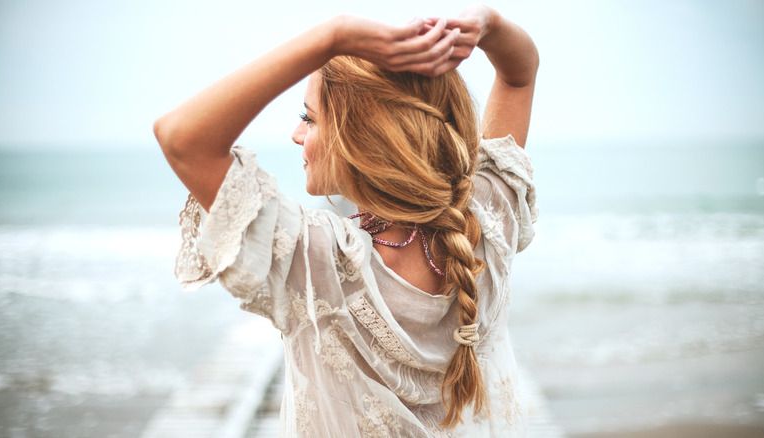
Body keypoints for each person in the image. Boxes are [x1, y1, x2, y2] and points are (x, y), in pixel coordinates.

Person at [154, 3, 538, 436]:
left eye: (309, 118)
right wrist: (490, 25)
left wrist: (333, 37)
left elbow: (182, 138)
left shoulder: (316, 261)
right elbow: (518, 75)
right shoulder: (486, 219)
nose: (297, 134)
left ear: (360, 136)